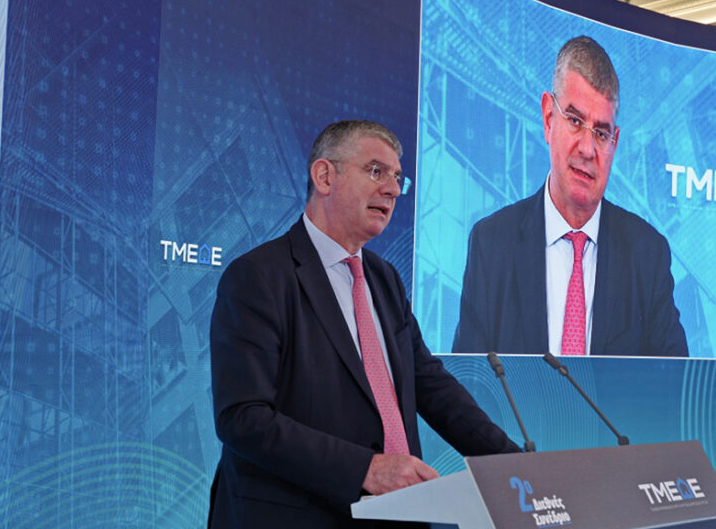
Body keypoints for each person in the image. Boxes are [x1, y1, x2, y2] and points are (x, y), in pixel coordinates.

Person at [209, 120, 520, 528]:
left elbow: (432, 387)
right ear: (324, 176)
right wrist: (366, 470)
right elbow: (243, 419)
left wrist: (515, 465)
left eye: (398, 178)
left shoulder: (385, 279)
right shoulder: (258, 276)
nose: (393, 189)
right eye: (376, 171)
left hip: (398, 514)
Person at [452, 36, 688, 357]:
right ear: (549, 117)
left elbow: (674, 381)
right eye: (575, 121)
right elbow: (468, 380)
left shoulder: (647, 254)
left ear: (614, 142)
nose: (588, 149)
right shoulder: (491, 244)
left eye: (601, 133)